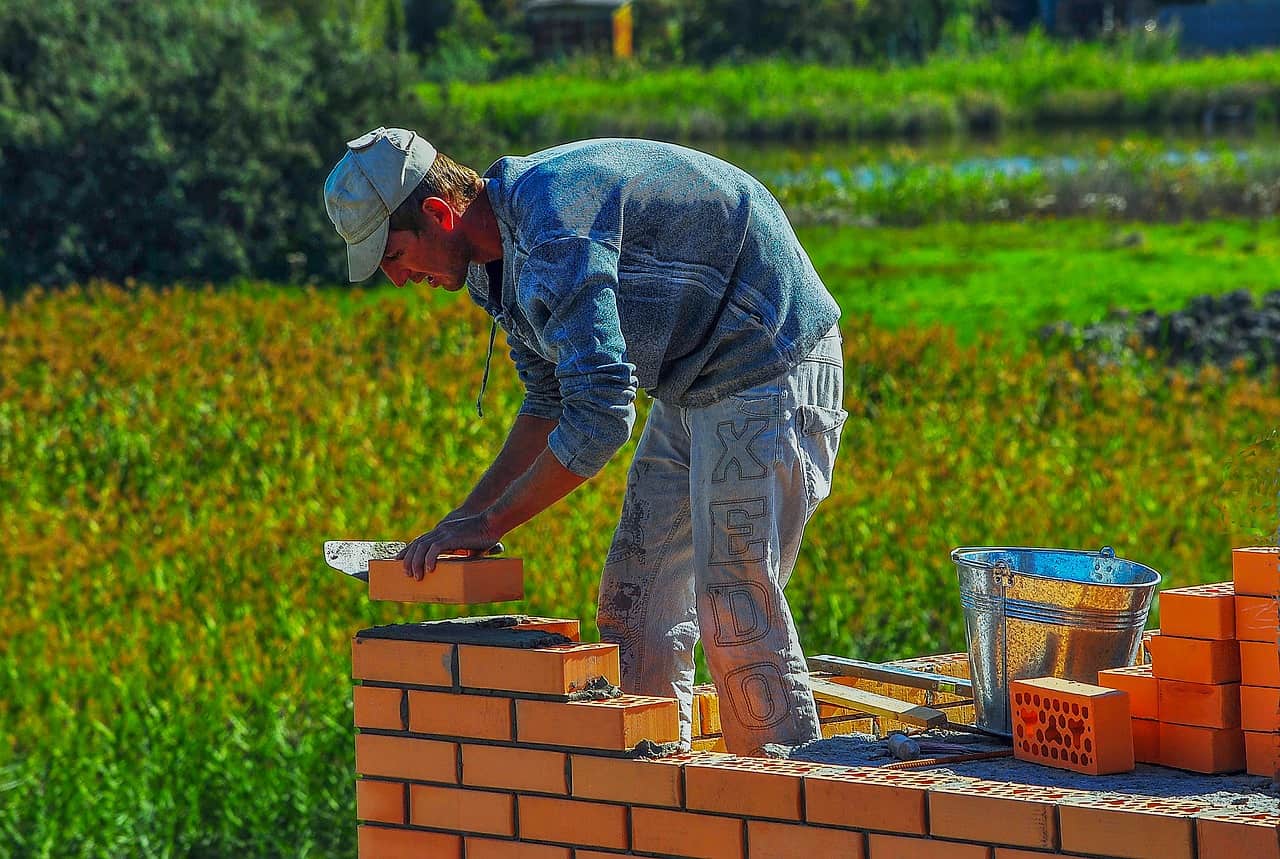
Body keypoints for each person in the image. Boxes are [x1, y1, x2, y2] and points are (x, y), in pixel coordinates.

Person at [323, 127, 848, 756]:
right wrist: (461, 522)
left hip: (766, 354)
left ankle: (787, 810)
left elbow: (600, 418)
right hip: (692, 376)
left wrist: (489, 523)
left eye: (394, 257)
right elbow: (549, 403)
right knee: (635, 604)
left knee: (733, 601)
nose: (400, 279)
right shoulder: (498, 266)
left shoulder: (552, 228)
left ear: (439, 214)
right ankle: (655, 797)